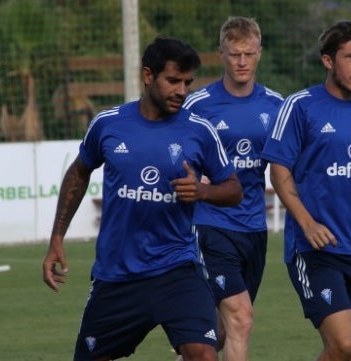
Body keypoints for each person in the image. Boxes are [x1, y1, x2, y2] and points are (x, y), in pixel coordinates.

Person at [42, 36, 243, 361]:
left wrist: (203, 191)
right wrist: (56, 237)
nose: (181, 91)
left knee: (204, 354)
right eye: (173, 80)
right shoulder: (108, 124)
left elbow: (234, 189)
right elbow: (78, 172)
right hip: (117, 274)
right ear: (148, 76)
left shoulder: (200, 130)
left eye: (187, 82)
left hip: (177, 268)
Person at [261, 20, 351, 361]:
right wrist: (307, 223)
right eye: (350, 57)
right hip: (315, 250)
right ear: (328, 61)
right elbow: (279, 172)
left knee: (346, 351)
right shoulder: (299, 106)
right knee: (342, 344)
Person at [181, 16, 283, 361]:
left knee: (218, 334)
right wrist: (196, 177)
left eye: (249, 54)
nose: (242, 62)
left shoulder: (276, 106)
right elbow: (171, 150)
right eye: (234, 54)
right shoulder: (198, 105)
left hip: (254, 228)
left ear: (259, 53)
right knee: (241, 316)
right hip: (211, 224)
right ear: (221, 54)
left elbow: (289, 167)